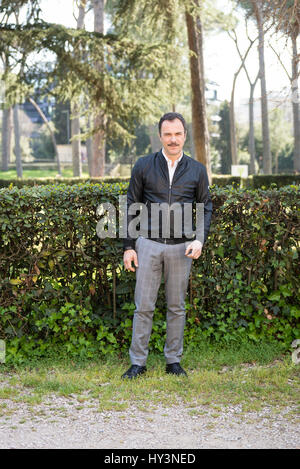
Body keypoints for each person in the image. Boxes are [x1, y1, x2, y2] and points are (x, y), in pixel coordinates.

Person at [122, 112, 212, 379]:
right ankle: (138, 362)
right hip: (148, 245)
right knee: (144, 306)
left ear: (184, 135)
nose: (173, 139)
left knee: (176, 306)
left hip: (181, 248)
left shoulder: (197, 170)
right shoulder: (143, 165)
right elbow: (131, 206)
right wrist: (129, 246)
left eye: (178, 134)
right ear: (160, 136)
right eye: (168, 134)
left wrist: (199, 238)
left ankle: (173, 360)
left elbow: (205, 207)